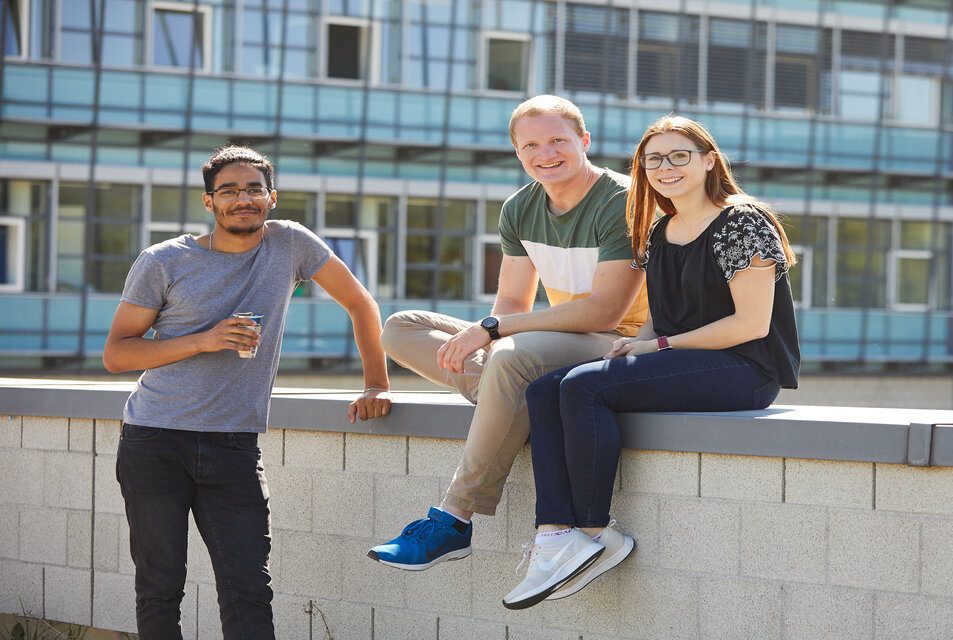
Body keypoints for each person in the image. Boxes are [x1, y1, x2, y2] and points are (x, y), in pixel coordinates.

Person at [501, 116, 801, 609]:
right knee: (543, 390)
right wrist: (633, 343)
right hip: (684, 360)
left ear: (708, 161)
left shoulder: (742, 220)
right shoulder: (660, 229)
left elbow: (751, 324)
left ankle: (595, 532)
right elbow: (661, 317)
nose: (666, 167)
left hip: (745, 369)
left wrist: (657, 348)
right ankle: (555, 536)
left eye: (679, 155)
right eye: (654, 159)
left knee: (582, 387)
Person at [103, 145, 392, 639]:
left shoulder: (291, 245)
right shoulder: (164, 261)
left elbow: (361, 304)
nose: (243, 199)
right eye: (229, 191)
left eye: (254, 189)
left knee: (248, 589)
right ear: (208, 202)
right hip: (154, 439)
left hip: (234, 444)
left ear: (271, 197)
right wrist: (205, 339)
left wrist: (377, 384)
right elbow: (117, 354)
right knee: (160, 584)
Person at [367, 95, 647, 570]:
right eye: (531, 144)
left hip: (618, 343)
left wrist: (495, 332)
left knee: (510, 356)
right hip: (556, 345)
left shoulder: (623, 202)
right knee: (400, 328)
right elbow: (515, 301)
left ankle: (453, 519)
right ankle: (515, 397)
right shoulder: (520, 207)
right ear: (517, 152)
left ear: (584, 141)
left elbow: (603, 312)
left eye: (558, 140)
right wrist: (494, 333)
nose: (546, 153)